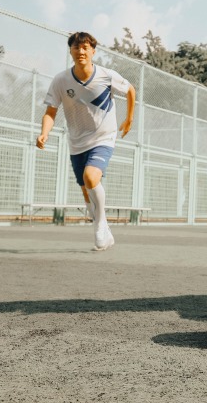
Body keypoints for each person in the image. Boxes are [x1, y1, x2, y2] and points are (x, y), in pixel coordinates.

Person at [36, 32, 136, 251]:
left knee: (90, 177)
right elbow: (51, 111)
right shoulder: (61, 80)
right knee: (86, 190)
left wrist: (129, 119)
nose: (80, 51)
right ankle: (103, 229)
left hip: (104, 137)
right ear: (70, 51)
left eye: (85, 48)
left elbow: (130, 90)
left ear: (93, 51)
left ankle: (100, 226)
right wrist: (44, 132)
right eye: (76, 47)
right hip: (77, 142)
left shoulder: (106, 75)